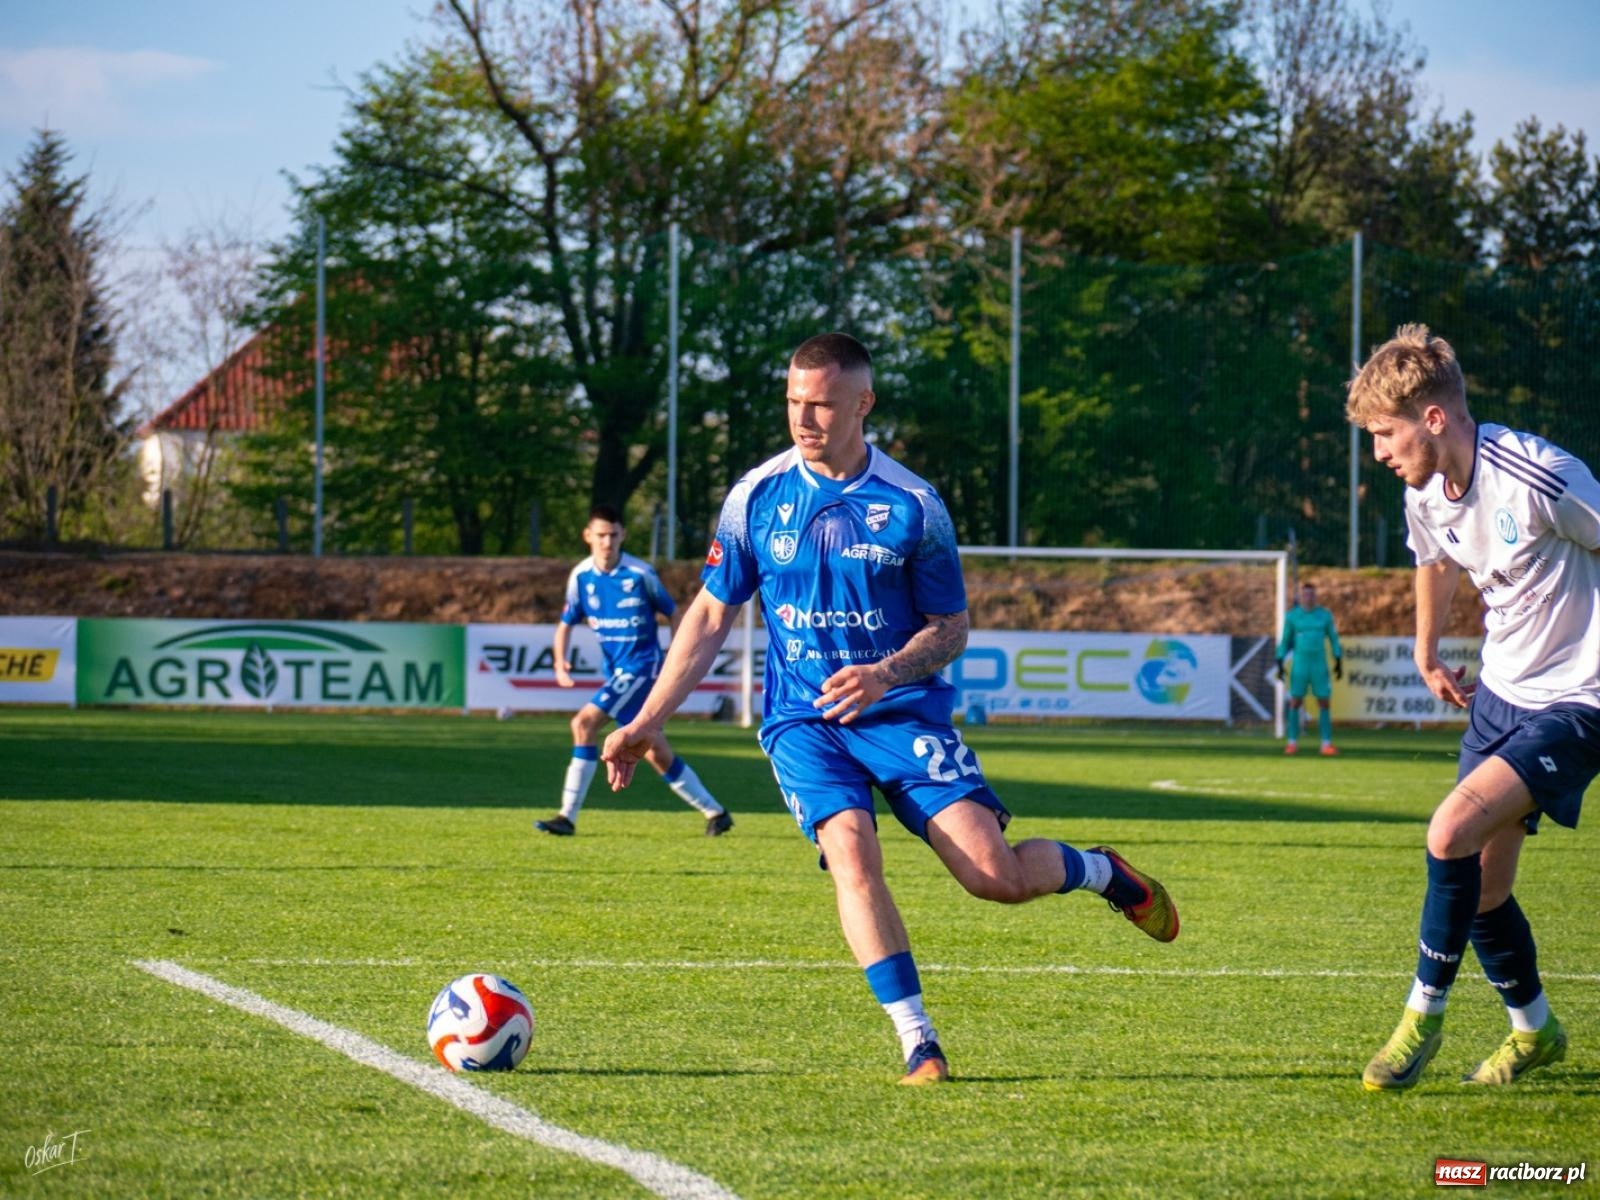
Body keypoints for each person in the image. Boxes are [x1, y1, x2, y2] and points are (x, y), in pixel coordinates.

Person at [601, 332, 1178, 1084]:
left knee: (992, 877)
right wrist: (648, 720)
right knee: (851, 851)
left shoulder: (912, 506)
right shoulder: (755, 497)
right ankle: (919, 1041)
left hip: (904, 715)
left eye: (821, 405)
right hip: (803, 721)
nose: (803, 420)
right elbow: (711, 613)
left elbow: (952, 629)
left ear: (862, 405)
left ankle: (1103, 874)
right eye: (792, 403)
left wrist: (884, 674)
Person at [1348, 324, 1599, 1091]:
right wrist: (1426, 650)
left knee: (1449, 831)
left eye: (1385, 435)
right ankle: (1534, 1031)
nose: (1380, 454)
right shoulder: (1424, 492)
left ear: (1432, 418)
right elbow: (1434, 561)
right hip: (1500, 696)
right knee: (1486, 888)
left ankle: (1421, 1014)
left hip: (1580, 701)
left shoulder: (1541, 475)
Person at [534, 504, 733, 838]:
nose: (607, 542)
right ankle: (716, 812)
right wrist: (559, 661)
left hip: (642, 667)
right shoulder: (581, 576)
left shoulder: (640, 575)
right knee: (656, 751)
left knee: (583, 723)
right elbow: (566, 623)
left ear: (623, 534)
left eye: (613, 535)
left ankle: (566, 816)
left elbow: (675, 614)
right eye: (601, 535)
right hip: (617, 673)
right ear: (588, 536)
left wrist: (675, 657)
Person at [1275, 582, 1343, 756]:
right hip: (1300, 665)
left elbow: (1333, 638)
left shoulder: (1324, 615)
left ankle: (1326, 744)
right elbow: (1285, 640)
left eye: (1311, 594)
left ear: (1315, 596)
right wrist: (1280, 661)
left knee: (1324, 702)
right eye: (1305, 594)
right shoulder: (1292, 616)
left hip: (1319, 664)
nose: (1308, 597)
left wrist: (1338, 658)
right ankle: (1292, 742)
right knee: (1295, 702)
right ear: (1300, 597)